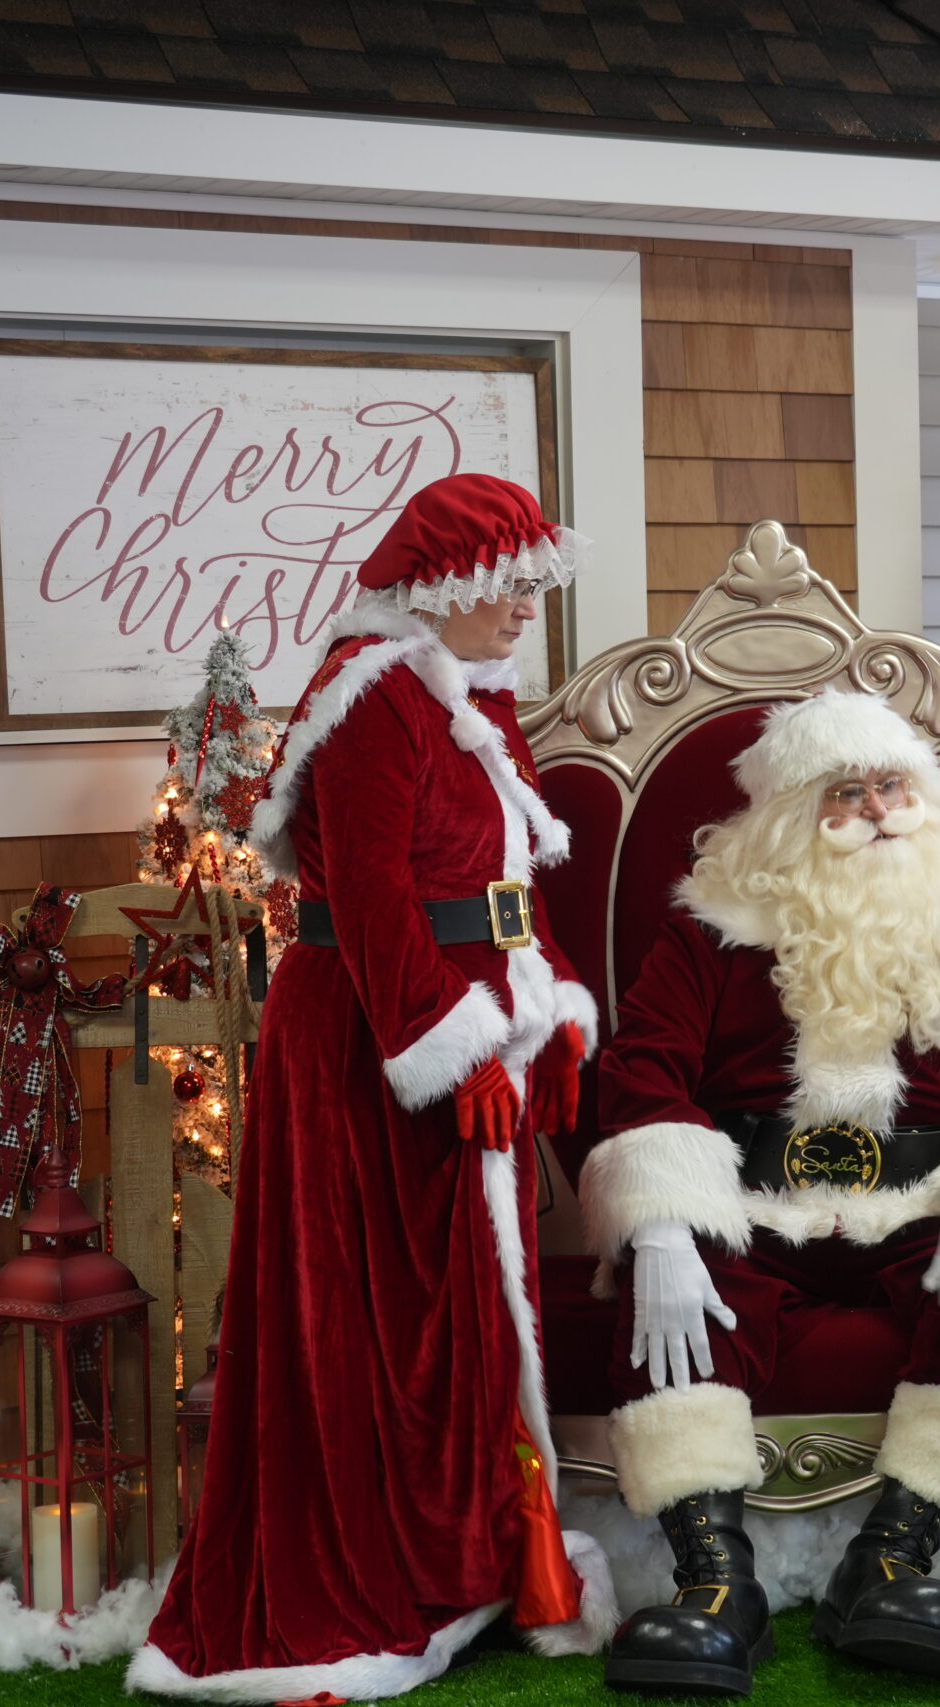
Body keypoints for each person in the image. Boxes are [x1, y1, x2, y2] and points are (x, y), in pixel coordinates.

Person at [132, 474, 615, 1701]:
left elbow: (510, 887)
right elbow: (370, 892)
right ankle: (380, 1577)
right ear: (441, 586)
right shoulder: (371, 695)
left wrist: (553, 1003)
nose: (524, 608)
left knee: (464, 1310)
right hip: (365, 1043)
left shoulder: (470, 697)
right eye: (505, 585)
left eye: (532, 586)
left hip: (468, 1023)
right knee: (377, 1315)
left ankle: (470, 1557)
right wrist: (448, 1044)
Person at [579, 689, 940, 1696]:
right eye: (846, 794)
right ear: (788, 817)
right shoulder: (711, 935)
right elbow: (643, 1072)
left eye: (893, 787)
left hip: (924, 1205)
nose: (877, 813)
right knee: (671, 1289)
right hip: (755, 1205)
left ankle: (892, 1559)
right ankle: (716, 1583)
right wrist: (664, 1224)